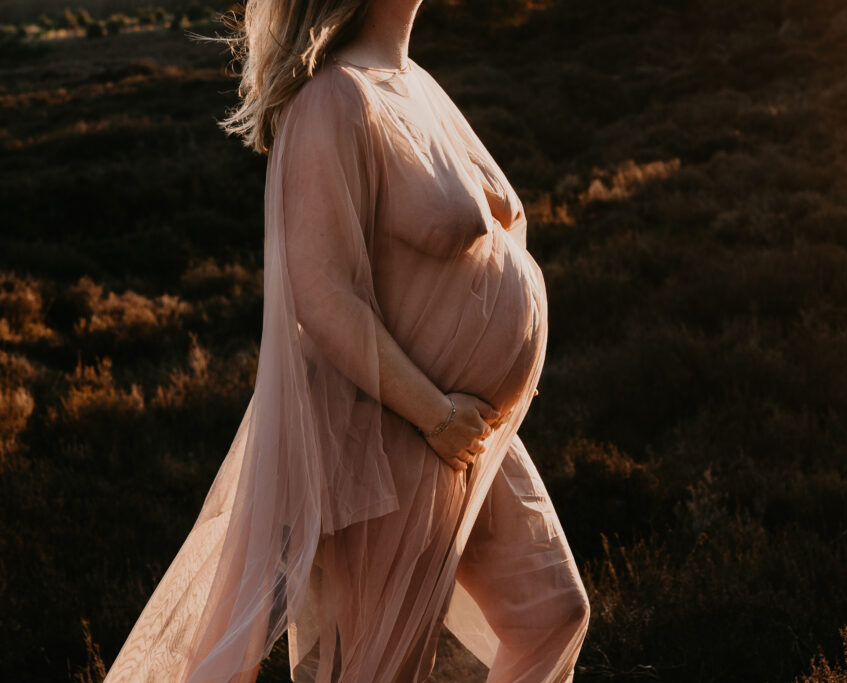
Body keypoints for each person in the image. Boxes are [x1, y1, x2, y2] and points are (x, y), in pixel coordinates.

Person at [103, 0, 590, 681]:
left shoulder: (414, 81)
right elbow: (324, 296)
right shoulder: (333, 101)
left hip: (467, 429)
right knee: (384, 668)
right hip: (391, 431)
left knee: (552, 613)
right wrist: (437, 415)